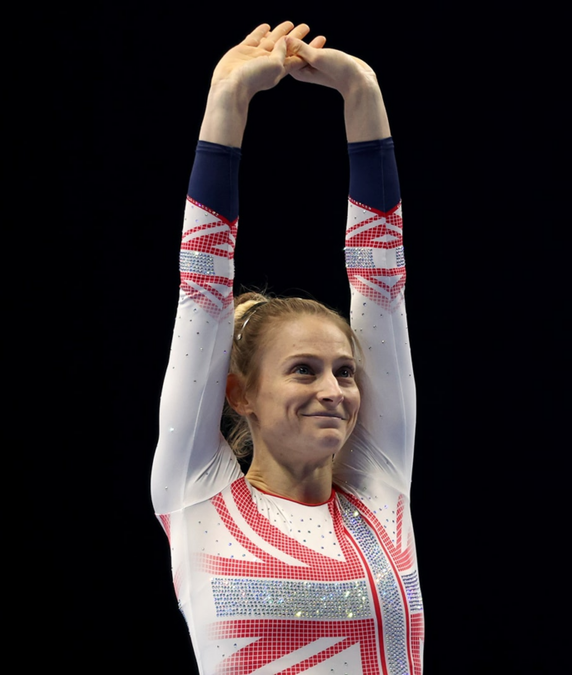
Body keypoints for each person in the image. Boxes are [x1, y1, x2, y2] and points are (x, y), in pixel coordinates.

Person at [150, 21, 424, 674]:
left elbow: (382, 283)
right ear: (239, 391)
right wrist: (226, 102)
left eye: (345, 371)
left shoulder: (378, 486)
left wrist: (363, 92)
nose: (334, 390)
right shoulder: (198, 496)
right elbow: (201, 290)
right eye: (303, 370)